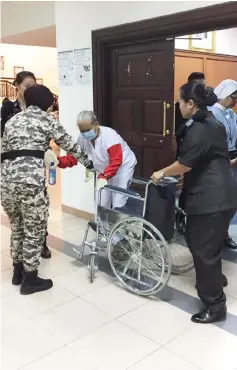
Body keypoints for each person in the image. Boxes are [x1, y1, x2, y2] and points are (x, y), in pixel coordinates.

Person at [151, 82, 237, 324]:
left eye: (179, 101)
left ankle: (215, 305)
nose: (177, 106)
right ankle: (216, 278)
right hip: (222, 194)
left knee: (203, 249)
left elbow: (185, 164)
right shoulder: (212, 122)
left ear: (190, 103)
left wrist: (161, 172)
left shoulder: (200, 128)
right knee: (205, 242)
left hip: (211, 197)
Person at [1, 84, 88, 295]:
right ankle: (30, 280)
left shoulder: (12, 120)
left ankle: (17, 272)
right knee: (34, 229)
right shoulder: (46, 119)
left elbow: (3, 149)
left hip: (6, 183)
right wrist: (89, 161)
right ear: (48, 103)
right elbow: (69, 144)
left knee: (18, 226)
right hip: (30, 183)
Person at [1, 71, 52, 258]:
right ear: (17, 85)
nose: (32, 90)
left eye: (34, 86)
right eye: (27, 86)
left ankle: (42, 243)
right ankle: (23, 254)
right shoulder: (9, 108)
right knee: (19, 214)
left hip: (37, 164)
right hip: (14, 166)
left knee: (39, 207)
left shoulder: (41, 108)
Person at [57, 110, 137, 209]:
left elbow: (116, 160)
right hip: (104, 169)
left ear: (96, 124)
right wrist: (58, 161)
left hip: (122, 168)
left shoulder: (109, 135)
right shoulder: (82, 139)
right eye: (82, 131)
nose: (85, 133)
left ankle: (119, 224)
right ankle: (103, 224)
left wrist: (104, 176)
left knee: (118, 201)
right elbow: (72, 158)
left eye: (87, 130)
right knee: (101, 201)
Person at [208, 79, 237, 250]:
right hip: (219, 159)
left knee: (232, 200)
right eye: (233, 97)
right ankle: (215, 234)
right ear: (224, 95)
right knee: (220, 201)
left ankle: (223, 231)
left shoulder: (232, 114)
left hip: (233, 159)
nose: (235, 101)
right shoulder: (211, 114)